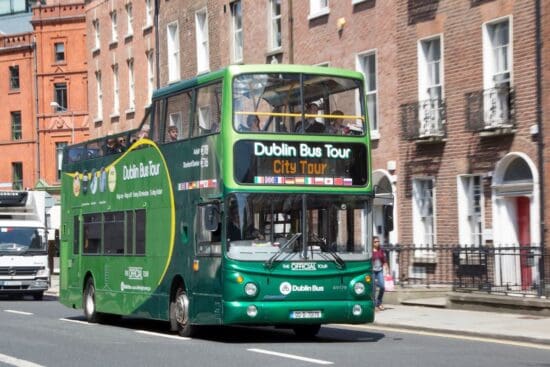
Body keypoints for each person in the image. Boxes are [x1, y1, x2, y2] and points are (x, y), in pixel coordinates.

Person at [372, 236, 389, 311]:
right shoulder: (370, 251)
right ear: (372, 243)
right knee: (373, 288)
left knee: (382, 286)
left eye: (378, 241)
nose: (377, 243)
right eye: (375, 242)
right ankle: (375, 304)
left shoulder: (381, 250)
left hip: (379, 270)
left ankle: (379, 302)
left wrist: (386, 267)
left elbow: (384, 260)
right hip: (372, 271)